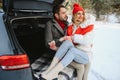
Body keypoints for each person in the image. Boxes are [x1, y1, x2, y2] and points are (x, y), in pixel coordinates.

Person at [40, 3, 94, 80]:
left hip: (78, 52)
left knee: (85, 63)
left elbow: (85, 39)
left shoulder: (85, 26)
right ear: (56, 15)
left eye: (82, 14)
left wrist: (72, 38)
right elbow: (63, 42)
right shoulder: (69, 26)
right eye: (63, 13)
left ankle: (53, 72)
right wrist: (58, 44)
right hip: (65, 51)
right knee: (69, 45)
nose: (66, 15)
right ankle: (50, 71)